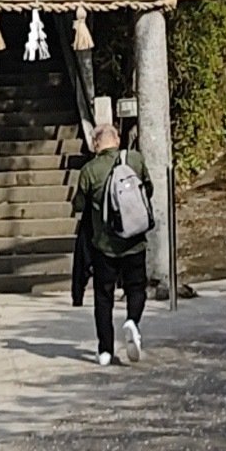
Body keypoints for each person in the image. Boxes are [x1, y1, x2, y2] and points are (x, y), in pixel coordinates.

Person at [71, 108, 156, 365]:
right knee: (136, 287)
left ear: (96, 145)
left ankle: (106, 350)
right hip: (134, 241)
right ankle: (132, 321)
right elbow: (148, 190)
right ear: (117, 140)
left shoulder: (89, 171)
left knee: (103, 297)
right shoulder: (135, 160)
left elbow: (78, 205)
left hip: (104, 246)